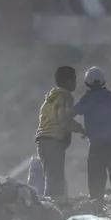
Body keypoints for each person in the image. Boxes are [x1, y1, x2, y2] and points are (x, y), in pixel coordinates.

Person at [74, 66, 111, 205]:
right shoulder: (110, 96)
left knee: (96, 176)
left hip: (97, 144)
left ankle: (97, 203)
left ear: (87, 82)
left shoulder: (88, 98)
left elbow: (74, 111)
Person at [35, 65, 84, 201]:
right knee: (55, 177)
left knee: (51, 175)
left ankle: (51, 203)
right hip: (53, 140)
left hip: (42, 140)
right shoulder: (66, 97)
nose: (75, 83)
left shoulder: (51, 97)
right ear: (66, 81)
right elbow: (64, 120)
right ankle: (52, 204)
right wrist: (80, 128)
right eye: (73, 79)